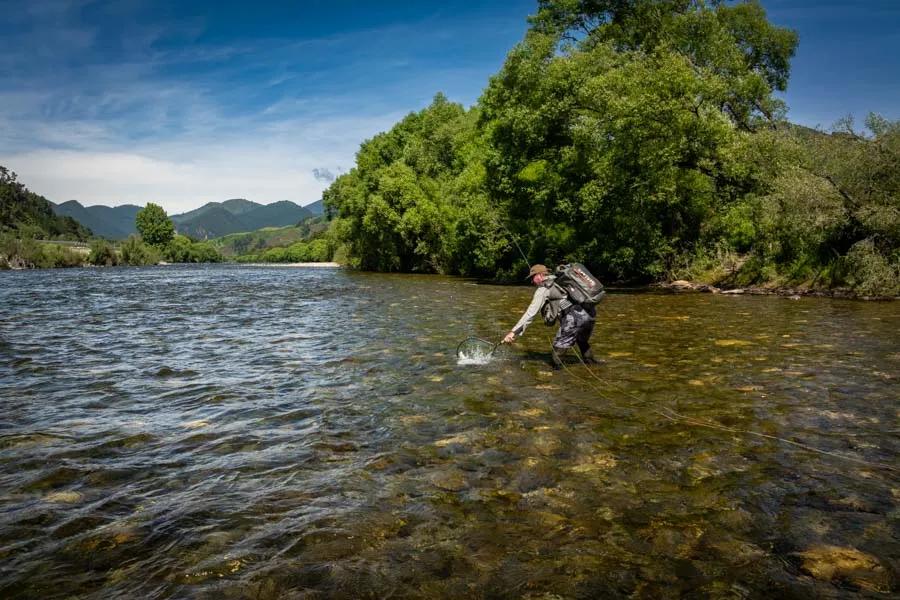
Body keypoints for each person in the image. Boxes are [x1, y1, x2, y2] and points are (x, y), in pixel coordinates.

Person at [501, 264, 600, 369]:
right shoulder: (560, 280)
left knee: (557, 350)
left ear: (539, 275)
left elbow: (530, 313)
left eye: (532, 278)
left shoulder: (544, 289)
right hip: (590, 313)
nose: (532, 282)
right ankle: (594, 366)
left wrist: (513, 332)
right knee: (582, 341)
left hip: (574, 318)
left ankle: (558, 377)